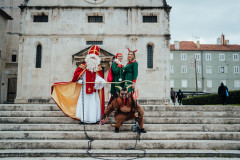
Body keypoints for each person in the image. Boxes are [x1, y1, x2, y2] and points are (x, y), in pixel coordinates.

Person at [51, 45, 106, 123]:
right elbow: (77, 76)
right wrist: (79, 80)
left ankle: (94, 119)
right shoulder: (82, 66)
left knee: (93, 104)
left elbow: (99, 78)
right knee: (84, 104)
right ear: (88, 58)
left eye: (94, 58)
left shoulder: (98, 68)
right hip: (84, 89)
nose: (92, 59)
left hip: (94, 90)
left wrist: (101, 81)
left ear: (96, 59)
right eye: (91, 57)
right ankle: (83, 119)